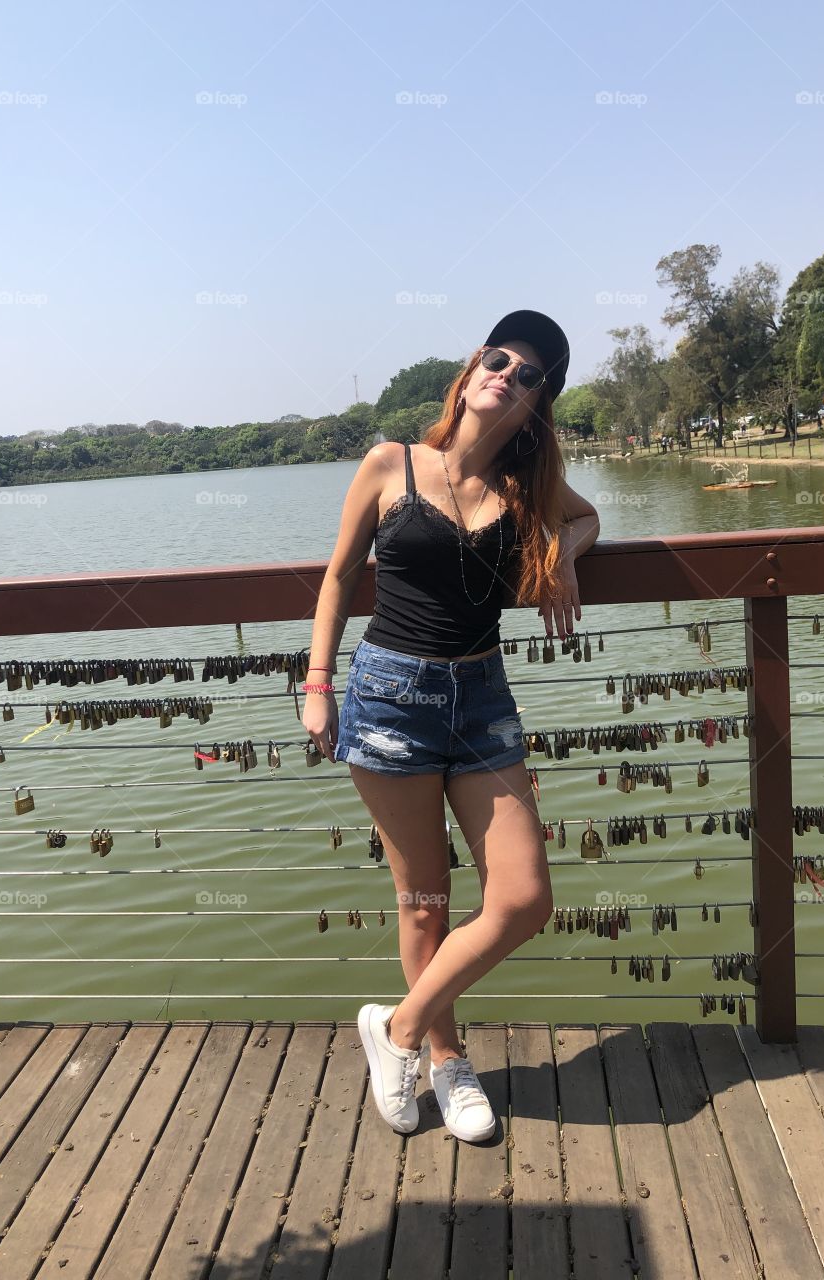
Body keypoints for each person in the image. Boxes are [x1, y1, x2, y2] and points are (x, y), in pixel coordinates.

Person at [302, 309, 601, 1142]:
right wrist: (317, 683)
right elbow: (338, 579)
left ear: (536, 404)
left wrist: (564, 555)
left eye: (530, 374)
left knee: (523, 899)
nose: (509, 373)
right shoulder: (390, 463)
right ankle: (445, 1059)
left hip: (483, 703)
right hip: (389, 700)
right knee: (425, 905)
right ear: (472, 371)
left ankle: (394, 1028)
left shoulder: (526, 486)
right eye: (499, 357)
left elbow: (586, 519)